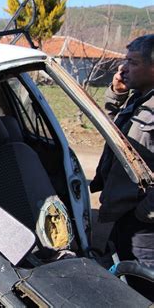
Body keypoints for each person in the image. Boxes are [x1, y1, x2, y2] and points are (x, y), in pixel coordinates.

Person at [91, 34, 154, 300]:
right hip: (122, 213)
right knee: (123, 282)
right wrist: (116, 95)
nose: (123, 69)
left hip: (142, 226)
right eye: (124, 61)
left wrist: (143, 213)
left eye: (133, 62)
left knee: (144, 289)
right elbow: (114, 135)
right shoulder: (139, 98)